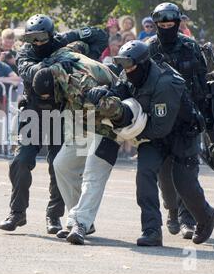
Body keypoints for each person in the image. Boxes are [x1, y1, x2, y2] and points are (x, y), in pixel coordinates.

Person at [0, 14, 108, 234]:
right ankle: (17, 213)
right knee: (20, 161)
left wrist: (75, 35)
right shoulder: (25, 52)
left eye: (41, 37)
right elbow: (30, 72)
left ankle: (54, 216)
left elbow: (100, 38)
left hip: (63, 112)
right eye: (32, 38)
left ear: (50, 34)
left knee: (58, 166)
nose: (37, 42)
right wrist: (57, 62)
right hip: (34, 112)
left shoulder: (64, 42)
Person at [111, 40, 214, 246]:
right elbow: (121, 90)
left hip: (182, 133)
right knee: (144, 175)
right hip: (154, 134)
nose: (126, 70)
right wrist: (107, 94)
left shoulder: (164, 83)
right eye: (124, 65)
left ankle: (207, 216)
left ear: (142, 63)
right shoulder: (130, 72)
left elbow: (161, 128)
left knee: (185, 184)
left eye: (130, 65)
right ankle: (151, 230)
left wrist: (130, 135)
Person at [33, 42, 139, 245]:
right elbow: (79, 45)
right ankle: (79, 219)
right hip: (86, 122)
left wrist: (124, 130)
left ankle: (80, 223)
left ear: (54, 84)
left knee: (93, 173)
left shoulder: (80, 85)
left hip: (110, 122)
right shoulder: (60, 58)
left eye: (50, 95)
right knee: (62, 165)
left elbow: (112, 109)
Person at [147, 2, 209, 239]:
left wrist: (206, 114)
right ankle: (172, 211)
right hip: (161, 119)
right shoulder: (149, 48)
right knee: (165, 174)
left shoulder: (191, 47)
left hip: (188, 118)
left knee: (187, 172)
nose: (165, 27)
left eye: (169, 24)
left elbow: (205, 82)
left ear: (177, 23)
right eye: (161, 24)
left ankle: (187, 219)